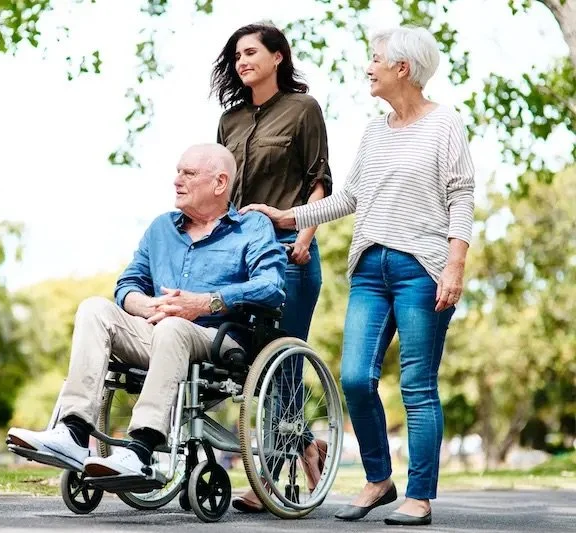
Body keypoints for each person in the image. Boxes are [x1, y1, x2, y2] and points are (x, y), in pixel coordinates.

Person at [241, 26, 475, 527]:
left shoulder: (445, 125)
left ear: (402, 69)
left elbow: (460, 195)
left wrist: (455, 264)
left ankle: (420, 495)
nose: (369, 67)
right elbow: (348, 199)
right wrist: (288, 219)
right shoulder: (373, 130)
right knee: (354, 377)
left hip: (423, 268)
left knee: (416, 384)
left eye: (375, 59)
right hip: (369, 266)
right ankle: (378, 479)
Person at [7, 143, 287, 480]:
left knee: (172, 327)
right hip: (155, 332)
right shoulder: (161, 229)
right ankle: (73, 433)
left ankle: (140, 449)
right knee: (94, 309)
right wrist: (145, 304)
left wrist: (203, 302)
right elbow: (127, 284)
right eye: (178, 172)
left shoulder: (251, 227)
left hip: (220, 338)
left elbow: (272, 286)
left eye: (189, 173)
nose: (177, 181)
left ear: (219, 183)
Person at [211, 22, 332, 513]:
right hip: (240, 254)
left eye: (251, 52)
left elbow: (318, 181)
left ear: (278, 57)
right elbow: (222, 191)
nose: (242, 62)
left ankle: (270, 479)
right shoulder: (229, 121)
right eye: (237, 55)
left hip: (288, 250)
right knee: (241, 361)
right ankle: (306, 444)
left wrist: (304, 239)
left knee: (282, 364)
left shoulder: (303, 110)